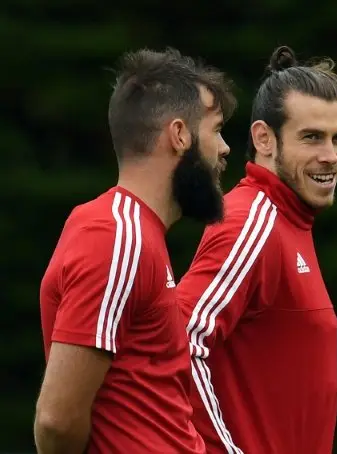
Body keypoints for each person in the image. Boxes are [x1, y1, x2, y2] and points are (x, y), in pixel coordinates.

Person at [35, 47, 237, 453]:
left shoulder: (134, 234)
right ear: (180, 135)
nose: (225, 148)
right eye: (216, 130)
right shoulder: (116, 239)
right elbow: (56, 421)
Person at [176, 45, 337, 454]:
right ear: (264, 139)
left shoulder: (289, 220)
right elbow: (178, 344)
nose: (331, 156)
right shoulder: (251, 221)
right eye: (311, 137)